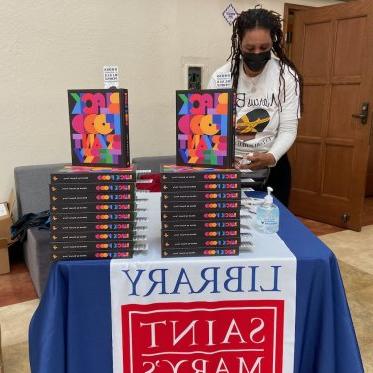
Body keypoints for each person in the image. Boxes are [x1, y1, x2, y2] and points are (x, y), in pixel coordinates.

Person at [207, 6, 303, 206]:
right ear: (239, 43)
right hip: (229, 169)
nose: (257, 53)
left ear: (273, 43)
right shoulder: (221, 77)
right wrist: (221, 158)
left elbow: (288, 128)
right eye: (250, 49)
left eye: (264, 48)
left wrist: (271, 156)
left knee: (272, 227)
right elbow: (211, 128)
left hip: (273, 169)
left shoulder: (286, 77)